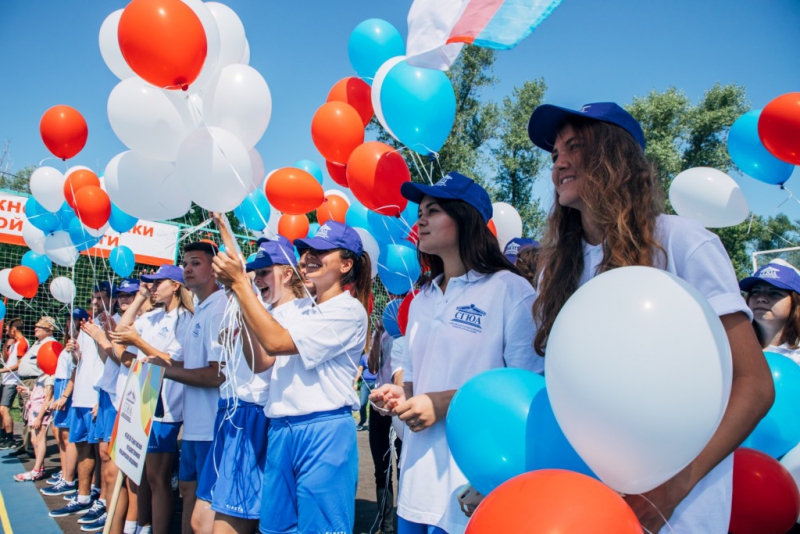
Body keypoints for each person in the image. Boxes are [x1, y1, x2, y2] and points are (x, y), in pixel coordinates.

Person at [526, 101, 774, 533]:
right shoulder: (555, 270)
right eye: (555, 155)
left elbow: (754, 385)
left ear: (615, 157)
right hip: (586, 510)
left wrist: (675, 487)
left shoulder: (682, 242)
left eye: (575, 147)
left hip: (681, 515)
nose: (559, 163)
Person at [370, 172, 538, 534]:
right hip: (415, 489)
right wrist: (399, 396)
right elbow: (414, 384)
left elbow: (529, 394)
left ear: (466, 218)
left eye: (433, 210)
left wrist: (493, 475)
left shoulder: (511, 291)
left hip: (473, 490)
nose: (420, 220)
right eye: (420, 212)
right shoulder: (421, 301)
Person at [212, 218, 371, 534]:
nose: (310, 256)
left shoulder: (348, 310)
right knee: (276, 529)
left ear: (346, 265)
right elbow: (261, 361)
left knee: (320, 529)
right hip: (281, 429)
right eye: (308, 250)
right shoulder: (298, 308)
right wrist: (239, 293)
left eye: (321, 251)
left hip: (322, 431)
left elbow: (275, 342)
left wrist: (241, 285)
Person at [195, 236, 303, 534]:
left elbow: (261, 363)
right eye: (255, 272)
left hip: (253, 416)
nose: (257, 278)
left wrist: (243, 305)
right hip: (230, 413)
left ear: (288, 273)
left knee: (230, 526)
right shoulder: (263, 309)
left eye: (265, 271)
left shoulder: (297, 312)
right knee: (200, 522)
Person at [133, 243, 226, 534]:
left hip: (212, 426)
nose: (187, 269)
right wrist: (162, 362)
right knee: (187, 493)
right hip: (195, 426)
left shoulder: (219, 308)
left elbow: (217, 374)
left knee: (206, 508)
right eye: (185, 263)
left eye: (196, 263)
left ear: (214, 269)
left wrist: (165, 370)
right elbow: (188, 363)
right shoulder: (201, 309)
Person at [110, 267, 193, 534]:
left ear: (176, 285)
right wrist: (140, 297)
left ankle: (157, 529)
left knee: (158, 478)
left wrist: (138, 343)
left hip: (165, 409)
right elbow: (120, 331)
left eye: (158, 283)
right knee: (142, 474)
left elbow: (171, 361)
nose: (153, 287)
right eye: (151, 284)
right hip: (141, 400)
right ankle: (142, 525)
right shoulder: (153, 315)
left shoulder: (186, 319)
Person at [50, 285, 112, 518]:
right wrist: (75, 353)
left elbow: (113, 364)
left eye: (100, 299)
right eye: (93, 299)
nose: (94, 303)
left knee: (102, 453)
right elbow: (82, 364)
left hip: (98, 396)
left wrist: (100, 398)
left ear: (111, 300)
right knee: (83, 447)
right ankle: (83, 496)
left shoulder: (112, 324)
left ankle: (102, 500)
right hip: (81, 397)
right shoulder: (85, 328)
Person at [41, 309, 86, 498]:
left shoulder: (80, 341)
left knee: (67, 435)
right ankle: (65, 472)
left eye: (73, 319)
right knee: (59, 433)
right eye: (68, 319)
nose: (69, 323)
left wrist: (64, 395)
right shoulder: (68, 340)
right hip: (61, 384)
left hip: (68, 386)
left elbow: (76, 369)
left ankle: (69, 478)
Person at [368, 322, 404, 534]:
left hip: (400, 404)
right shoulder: (381, 330)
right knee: (381, 471)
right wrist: (377, 337)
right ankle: (385, 527)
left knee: (403, 469)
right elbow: (373, 368)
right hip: (379, 404)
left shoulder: (411, 325)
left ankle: (404, 525)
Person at [11, 316, 56, 458]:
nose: (35, 328)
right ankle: (27, 445)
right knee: (26, 413)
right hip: (28, 382)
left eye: (39, 327)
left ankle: (32, 449)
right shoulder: (38, 343)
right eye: (36, 326)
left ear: (49, 330)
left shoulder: (49, 344)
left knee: (35, 415)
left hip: (37, 381)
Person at [740, 260, 800, 360]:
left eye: (774, 293)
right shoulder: (732, 349)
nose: (761, 298)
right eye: (755, 292)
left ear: (795, 302)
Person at [13, 365, 54, 482]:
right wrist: (27, 391)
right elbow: (38, 395)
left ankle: (36, 470)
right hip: (33, 411)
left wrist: (39, 418)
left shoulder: (50, 378)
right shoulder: (41, 376)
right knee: (34, 440)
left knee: (40, 440)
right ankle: (40, 467)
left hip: (41, 412)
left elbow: (47, 399)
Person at [0, 318, 28, 448]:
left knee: (4, 409)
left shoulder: (22, 343)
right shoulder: (14, 343)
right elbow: (5, 359)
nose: (6, 333)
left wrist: (2, 370)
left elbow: (19, 364)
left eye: (7, 330)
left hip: (13, 380)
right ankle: (3, 435)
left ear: (13, 329)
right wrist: (5, 346)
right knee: (1, 409)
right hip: (6, 379)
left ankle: (10, 438)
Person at [354, 346, 377, 431]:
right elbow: (360, 369)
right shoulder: (364, 357)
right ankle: (362, 421)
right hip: (365, 383)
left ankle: (372, 424)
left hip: (376, 383)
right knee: (362, 403)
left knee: (374, 405)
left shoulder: (379, 356)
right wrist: (355, 382)